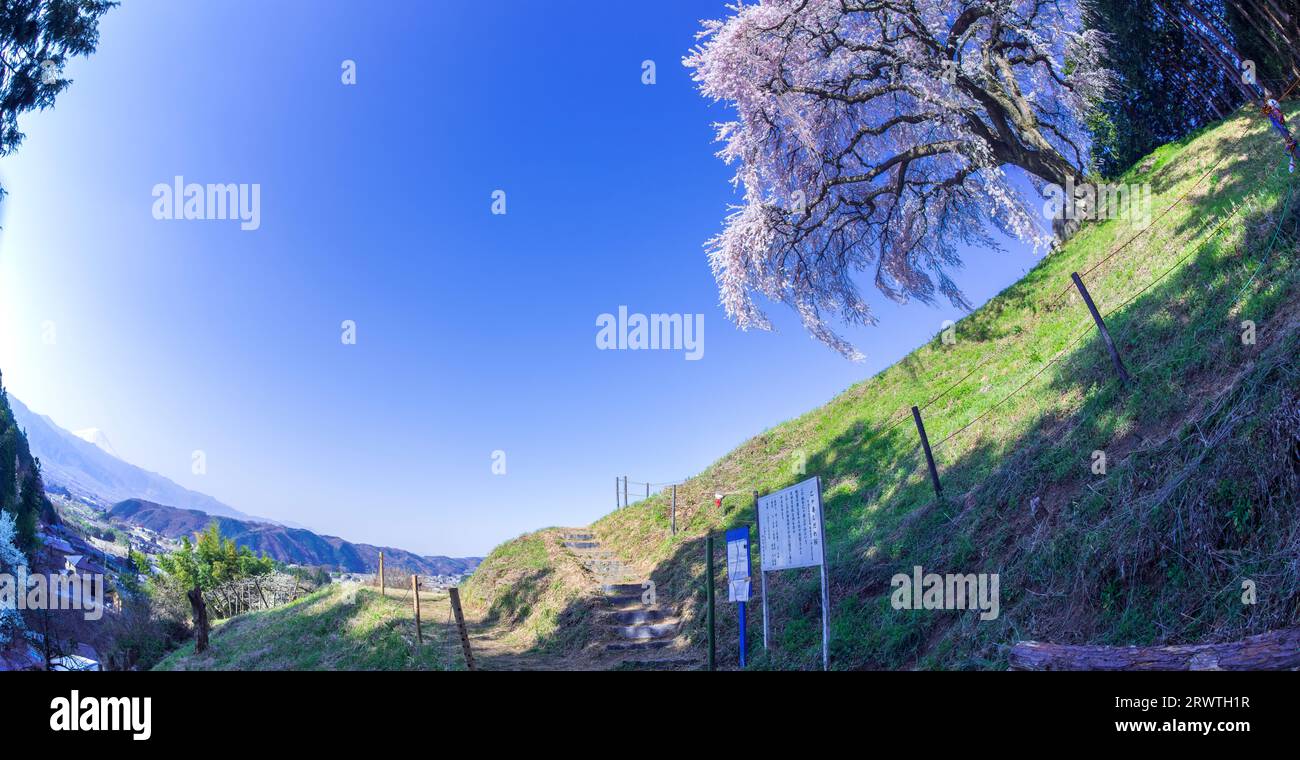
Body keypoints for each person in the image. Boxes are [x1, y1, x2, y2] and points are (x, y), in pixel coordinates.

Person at [1262, 98, 1297, 173]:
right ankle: (1291, 146)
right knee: (1285, 135)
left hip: (1282, 127)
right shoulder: (1270, 112)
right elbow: (1266, 112)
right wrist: (1267, 109)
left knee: (1286, 135)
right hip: (1280, 127)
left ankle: (1291, 146)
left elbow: (1280, 119)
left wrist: (1273, 112)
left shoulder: (1276, 112)